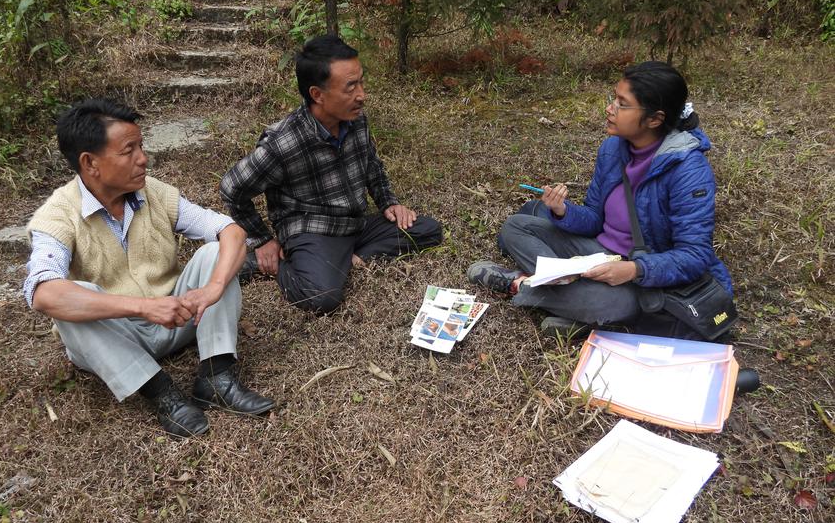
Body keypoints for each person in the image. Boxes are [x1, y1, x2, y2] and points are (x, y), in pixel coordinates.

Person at [24, 98, 274, 438]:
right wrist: (142, 307)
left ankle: (217, 377)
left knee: (216, 251)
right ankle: (162, 394)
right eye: (129, 151)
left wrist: (213, 288)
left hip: (176, 318)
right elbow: (42, 293)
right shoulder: (57, 215)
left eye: (141, 146)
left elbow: (230, 230)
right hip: (114, 336)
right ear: (90, 163)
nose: (143, 158)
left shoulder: (153, 193)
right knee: (68, 300)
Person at [467, 61, 732, 334]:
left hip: (642, 277)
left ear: (655, 119)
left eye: (622, 104)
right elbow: (595, 218)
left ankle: (522, 284)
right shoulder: (613, 148)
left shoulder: (688, 170)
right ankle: (573, 303)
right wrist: (563, 212)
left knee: (613, 304)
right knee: (516, 226)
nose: (610, 109)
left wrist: (633, 270)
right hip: (597, 254)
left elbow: (694, 255)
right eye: (613, 99)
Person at [220, 35, 443, 314]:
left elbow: (371, 164)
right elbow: (232, 188)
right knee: (321, 297)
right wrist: (263, 240)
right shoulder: (283, 142)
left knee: (428, 230)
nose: (362, 94)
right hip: (313, 230)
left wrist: (389, 203)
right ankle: (276, 263)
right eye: (351, 87)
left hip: (355, 224)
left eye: (361, 82)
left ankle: (347, 259)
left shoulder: (355, 118)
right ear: (317, 94)